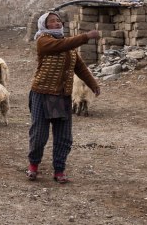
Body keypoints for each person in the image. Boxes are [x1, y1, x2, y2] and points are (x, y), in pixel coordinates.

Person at [27, 11, 100, 183]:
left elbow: (80, 67)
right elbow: (60, 46)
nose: (57, 23)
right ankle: (33, 166)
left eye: (58, 21)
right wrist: (86, 36)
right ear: (44, 25)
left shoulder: (69, 47)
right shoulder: (43, 41)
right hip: (42, 94)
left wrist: (93, 84)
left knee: (63, 136)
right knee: (39, 134)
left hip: (62, 96)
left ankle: (59, 170)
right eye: (52, 21)